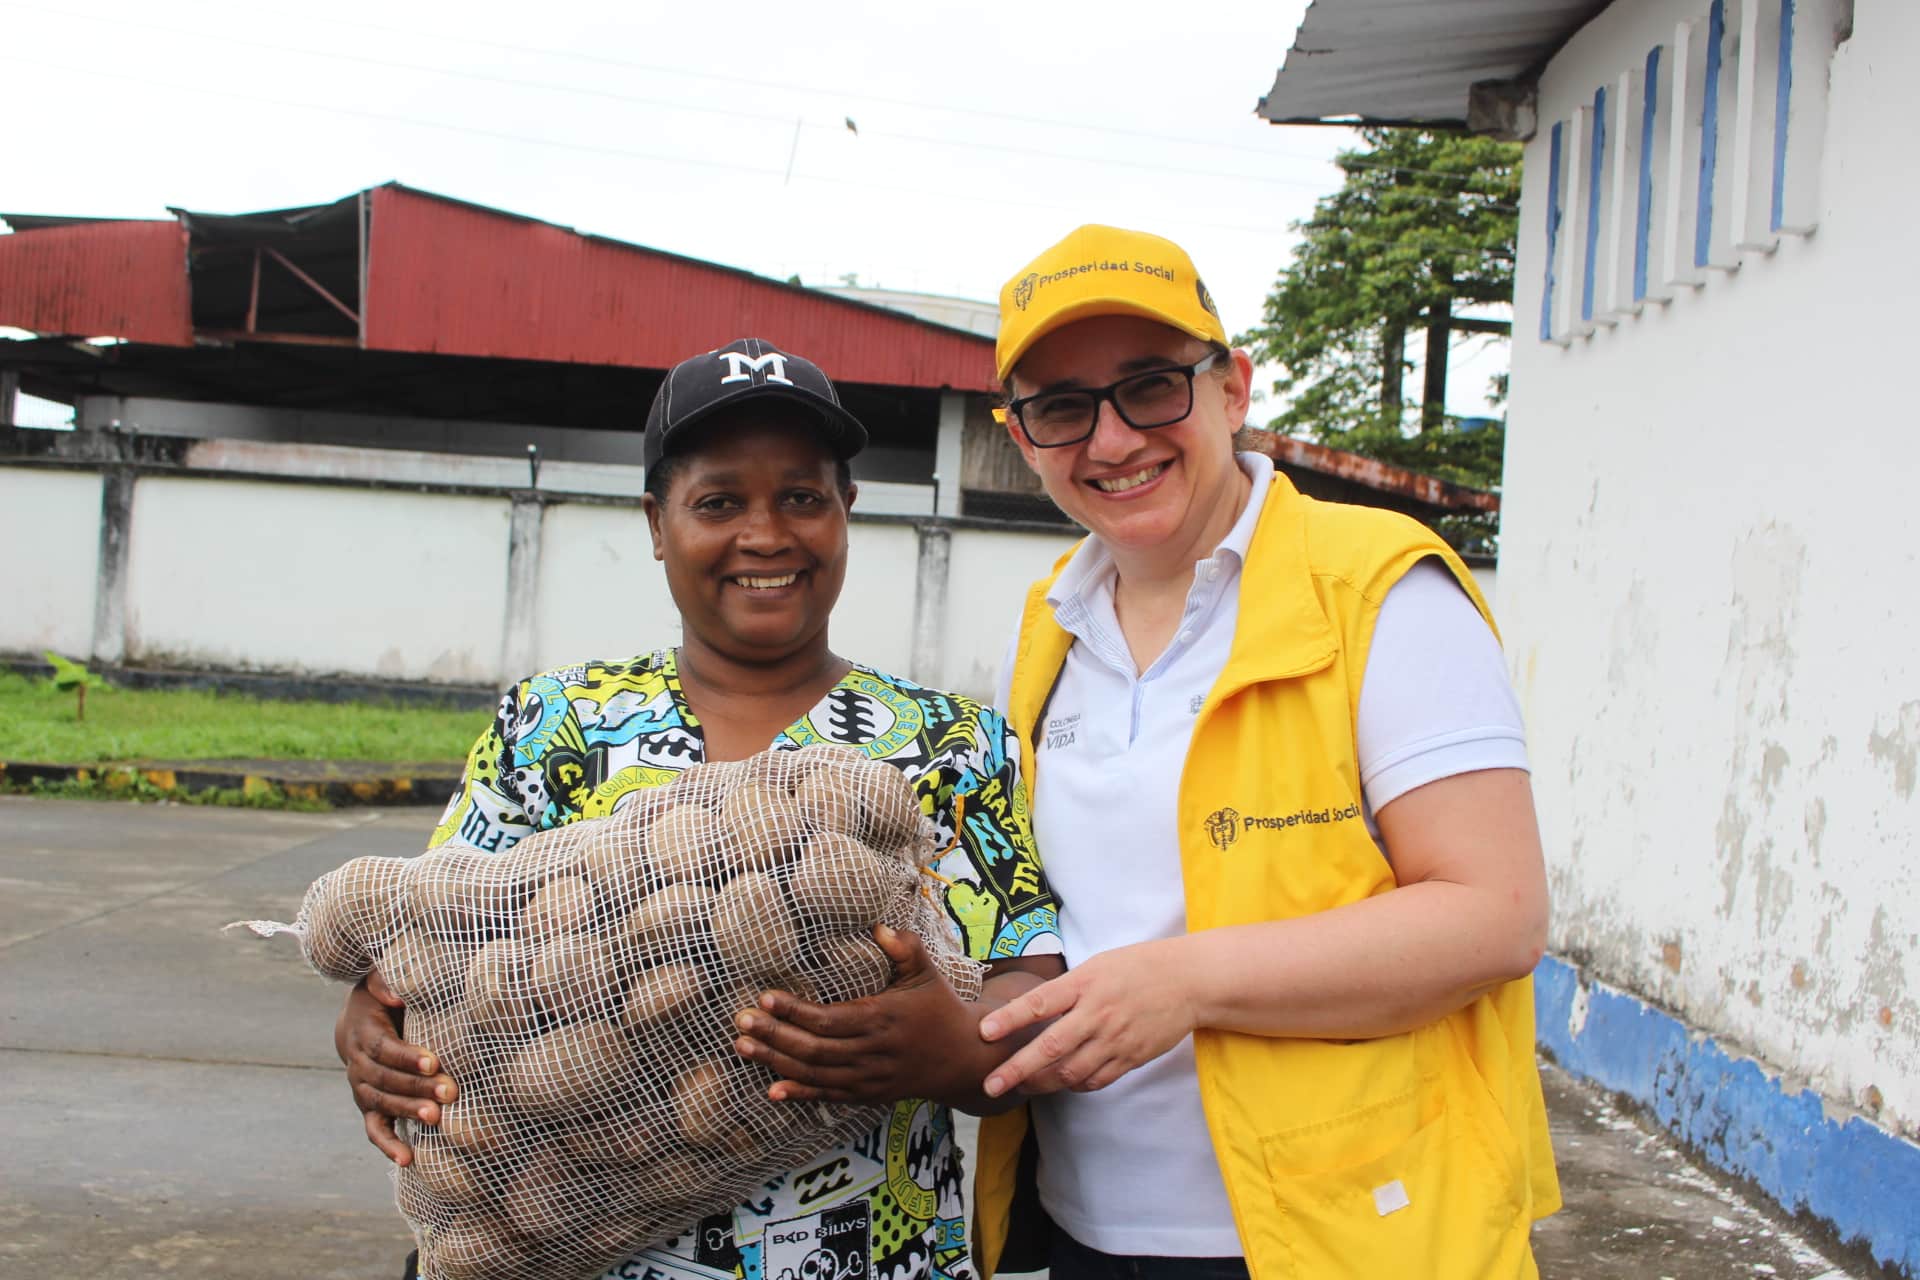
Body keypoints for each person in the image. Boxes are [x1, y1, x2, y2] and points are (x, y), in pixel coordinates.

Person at [333, 338, 1065, 1280]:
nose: (765, 535)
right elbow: (436, 937)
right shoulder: (558, 725)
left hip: (872, 1253)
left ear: (846, 509)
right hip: (570, 1246)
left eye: (802, 497)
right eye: (719, 502)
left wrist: (956, 1050)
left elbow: (1034, 990)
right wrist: (369, 1020)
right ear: (657, 522)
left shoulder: (950, 746)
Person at [967, 227, 1560, 1279]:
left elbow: (1494, 912)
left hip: (1346, 1231)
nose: (1112, 440)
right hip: (1085, 1226)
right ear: (1022, 437)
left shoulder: (1375, 588)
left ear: (1233, 388)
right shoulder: (1053, 617)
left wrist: (1185, 982)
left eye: (1151, 387)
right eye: (1062, 407)